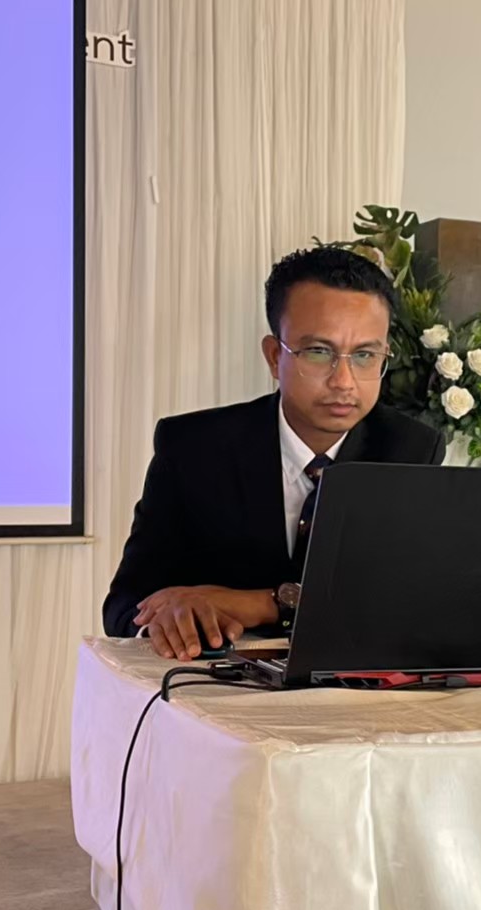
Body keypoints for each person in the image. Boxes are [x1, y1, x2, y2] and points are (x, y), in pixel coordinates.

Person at [103, 246, 445, 659]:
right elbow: (125, 605)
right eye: (318, 352)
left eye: (364, 356)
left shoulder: (410, 449)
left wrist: (262, 604)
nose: (344, 381)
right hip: (218, 685)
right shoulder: (193, 447)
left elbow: (403, 603)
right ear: (273, 355)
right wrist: (170, 620)